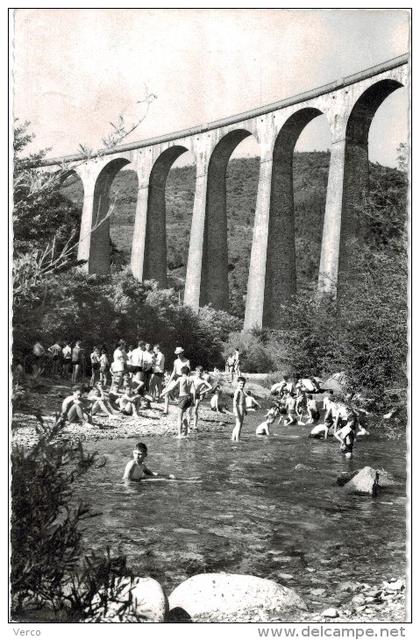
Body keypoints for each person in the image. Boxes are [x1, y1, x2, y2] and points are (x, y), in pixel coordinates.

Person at [161, 365, 195, 437]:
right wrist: (193, 400)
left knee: (179, 417)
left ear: (181, 372)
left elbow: (171, 388)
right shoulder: (191, 379)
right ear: (188, 372)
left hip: (182, 397)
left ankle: (179, 435)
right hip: (189, 398)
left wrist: (163, 394)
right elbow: (193, 390)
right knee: (184, 414)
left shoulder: (180, 378)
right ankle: (186, 432)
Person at [163, 347, 190, 415]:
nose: (178, 355)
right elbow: (174, 372)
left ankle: (185, 412)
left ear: (182, 353)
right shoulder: (176, 361)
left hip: (183, 378)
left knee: (184, 394)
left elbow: (188, 372)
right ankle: (165, 410)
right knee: (167, 391)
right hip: (176, 377)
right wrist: (169, 382)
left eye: (179, 354)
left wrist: (188, 381)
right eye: (177, 354)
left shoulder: (187, 361)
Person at [191, 365, 213, 430]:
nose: (199, 373)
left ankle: (195, 425)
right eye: (198, 371)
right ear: (195, 371)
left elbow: (210, 387)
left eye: (200, 371)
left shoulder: (203, 380)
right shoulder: (192, 378)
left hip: (197, 395)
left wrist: (202, 392)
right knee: (189, 410)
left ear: (202, 372)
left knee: (195, 410)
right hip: (191, 394)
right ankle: (189, 424)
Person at [232, 376, 246, 442]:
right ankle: (237, 439)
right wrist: (235, 410)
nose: (242, 385)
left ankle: (233, 438)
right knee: (239, 424)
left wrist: (245, 409)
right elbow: (234, 400)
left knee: (239, 424)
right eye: (240, 383)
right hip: (238, 408)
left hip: (242, 408)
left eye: (243, 384)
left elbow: (243, 400)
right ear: (237, 383)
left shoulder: (242, 390)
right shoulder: (237, 391)